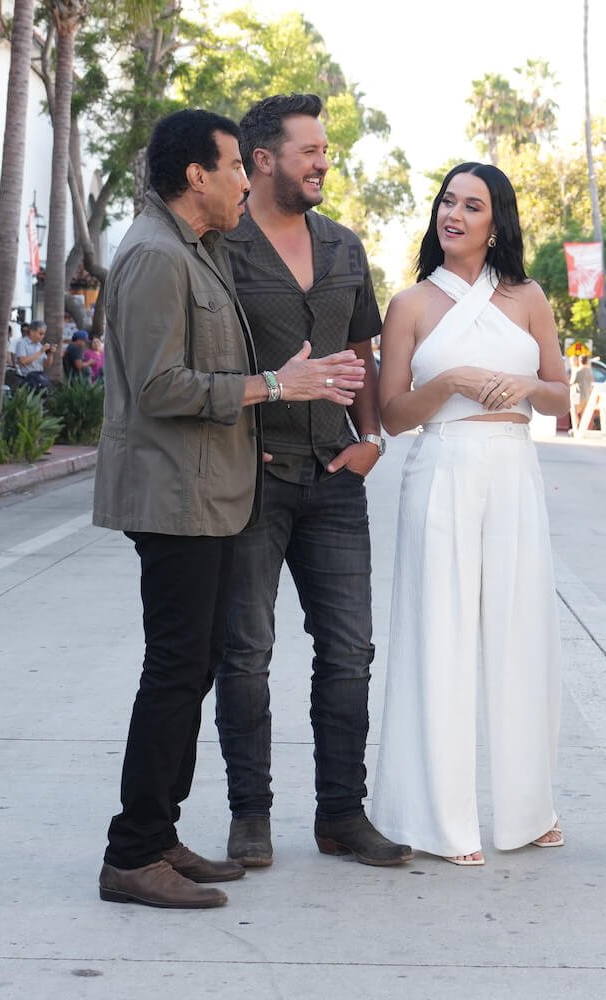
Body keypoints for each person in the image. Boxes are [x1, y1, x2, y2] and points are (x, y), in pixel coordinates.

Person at [91, 108, 365, 910]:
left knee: (193, 668)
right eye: (233, 167)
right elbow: (159, 386)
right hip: (173, 495)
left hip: (207, 494)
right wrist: (279, 386)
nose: (246, 179)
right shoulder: (151, 257)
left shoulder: (193, 249)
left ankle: (160, 837)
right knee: (175, 672)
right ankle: (131, 854)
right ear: (195, 177)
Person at [210, 94, 407, 870]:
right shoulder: (221, 248)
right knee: (246, 652)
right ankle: (249, 816)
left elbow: (362, 347)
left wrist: (371, 438)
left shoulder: (344, 246)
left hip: (335, 478)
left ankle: (340, 816)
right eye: (309, 150)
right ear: (263, 160)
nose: (324, 161)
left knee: (349, 650)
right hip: (251, 478)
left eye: (325, 151)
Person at [370, 162, 571, 866]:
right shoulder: (411, 305)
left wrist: (526, 385)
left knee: (522, 633)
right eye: (447, 201)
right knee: (440, 635)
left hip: (514, 470)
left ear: (497, 220)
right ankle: (437, 819)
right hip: (442, 468)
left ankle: (527, 809)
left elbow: (560, 398)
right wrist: (450, 381)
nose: (454, 213)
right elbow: (392, 416)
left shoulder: (528, 298)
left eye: (472, 204)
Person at [12, 320, 53, 390]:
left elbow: (46, 365)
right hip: (26, 379)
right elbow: (23, 361)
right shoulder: (22, 343)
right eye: (40, 333)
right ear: (32, 332)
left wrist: (50, 353)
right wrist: (40, 352)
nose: (42, 336)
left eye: (44, 334)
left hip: (39, 377)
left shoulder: (40, 345)